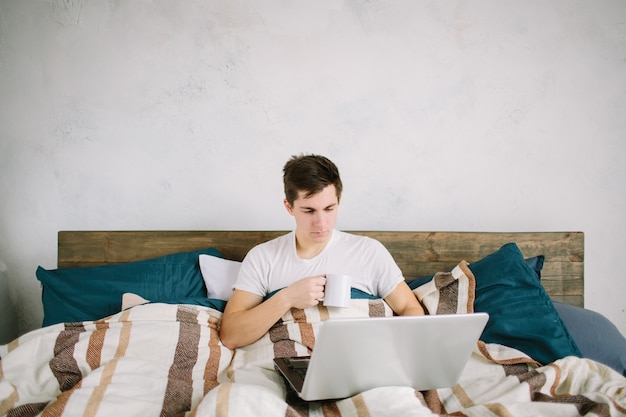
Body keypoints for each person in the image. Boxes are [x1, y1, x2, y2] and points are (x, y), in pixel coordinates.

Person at [219, 154, 424, 349]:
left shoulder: (368, 252)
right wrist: (287, 298)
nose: (321, 223)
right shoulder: (263, 257)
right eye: (309, 211)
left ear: (339, 201)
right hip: (287, 363)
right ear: (289, 207)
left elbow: (410, 308)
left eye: (329, 208)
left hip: (361, 357)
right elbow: (231, 335)